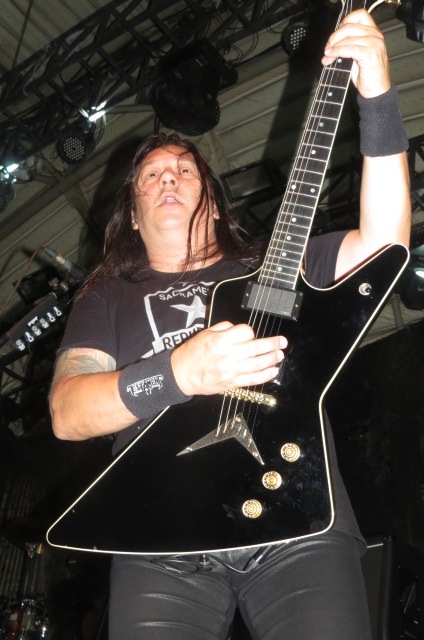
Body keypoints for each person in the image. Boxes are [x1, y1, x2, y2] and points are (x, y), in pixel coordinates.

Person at [49, 9, 411, 640]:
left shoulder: (275, 263)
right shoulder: (106, 295)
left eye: (185, 170)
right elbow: (67, 413)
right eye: (151, 175)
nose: (168, 178)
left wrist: (378, 95)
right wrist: (179, 373)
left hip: (299, 518)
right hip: (159, 536)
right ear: (132, 212)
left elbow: (385, 243)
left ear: (212, 201)